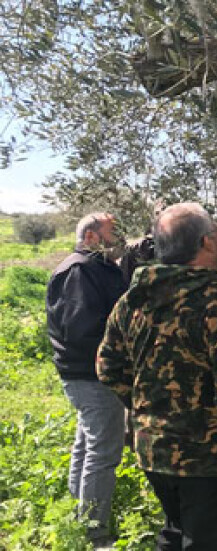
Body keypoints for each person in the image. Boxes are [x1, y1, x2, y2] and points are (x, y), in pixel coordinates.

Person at [97, 202, 217, 550]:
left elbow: (108, 366)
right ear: (206, 243)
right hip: (209, 459)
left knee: (175, 535)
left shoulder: (134, 300)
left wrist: (150, 412)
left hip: (154, 450)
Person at [46, 212, 127, 546]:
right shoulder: (80, 270)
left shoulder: (95, 267)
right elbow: (81, 328)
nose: (119, 238)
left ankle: (79, 513)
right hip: (92, 374)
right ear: (92, 237)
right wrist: (119, 348)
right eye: (112, 232)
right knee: (103, 451)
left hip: (86, 373)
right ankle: (96, 533)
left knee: (87, 442)